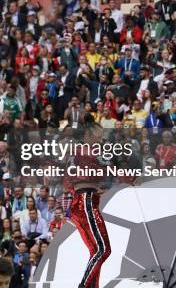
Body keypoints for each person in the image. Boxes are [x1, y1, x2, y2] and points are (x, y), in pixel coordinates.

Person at [64, 123, 112, 288]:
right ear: (88, 135)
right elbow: (105, 167)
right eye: (99, 135)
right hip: (85, 201)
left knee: (96, 250)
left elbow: (71, 179)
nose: (101, 139)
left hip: (83, 200)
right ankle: (84, 286)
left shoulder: (78, 152)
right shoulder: (86, 151)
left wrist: (94, 186)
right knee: (102, 250)